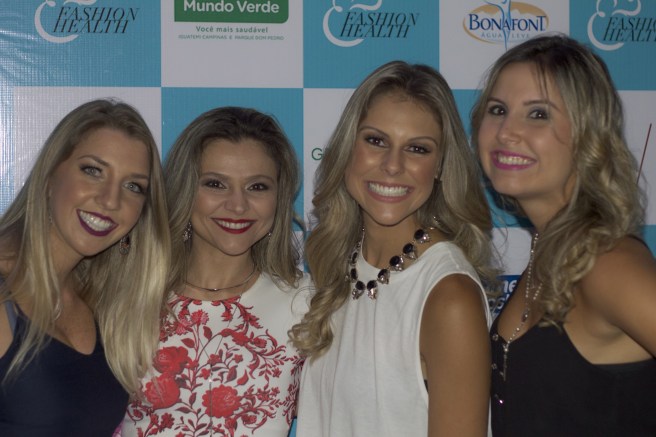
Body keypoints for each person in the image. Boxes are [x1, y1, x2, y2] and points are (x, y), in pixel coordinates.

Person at [292, 61, 496, 437]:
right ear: (348, 148)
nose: (392, 165)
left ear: (440, 166)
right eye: (376, 141)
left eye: (417, 149)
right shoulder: (340, 265)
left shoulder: (449, 296)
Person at [471, 33, 656, 436]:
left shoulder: (608, 262)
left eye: (538, 114)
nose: (506, 132)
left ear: (588, 133)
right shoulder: (548, 251)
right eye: (497, 110)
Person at [121, 107, 310, 437]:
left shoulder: (308, 306)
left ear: (279, 199)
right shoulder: (126, 296)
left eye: (257, 187)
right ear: (185, 190)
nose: (237, 205)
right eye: (215, 184)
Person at [0, 99, 171, 436]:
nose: (110, 200)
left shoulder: (103, 306)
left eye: (133, 186)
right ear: (50, 176)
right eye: (93, 171)